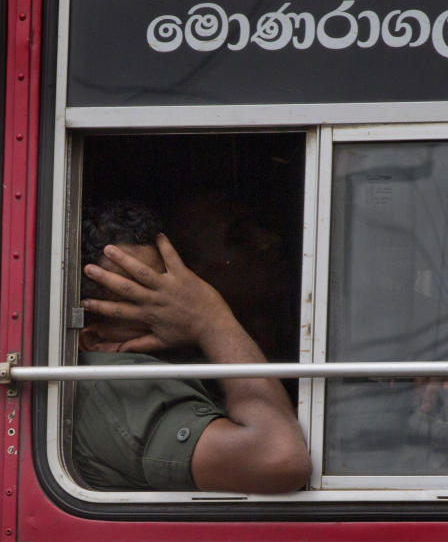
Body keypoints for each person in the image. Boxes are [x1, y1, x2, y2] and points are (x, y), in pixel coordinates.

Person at [73, 201, 311, 493]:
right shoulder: (115, 384)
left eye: (169, 276)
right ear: (96, 340)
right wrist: (210, 319)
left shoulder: (183, 353)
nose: (181, 293)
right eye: (145, 291)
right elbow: (277, 458)